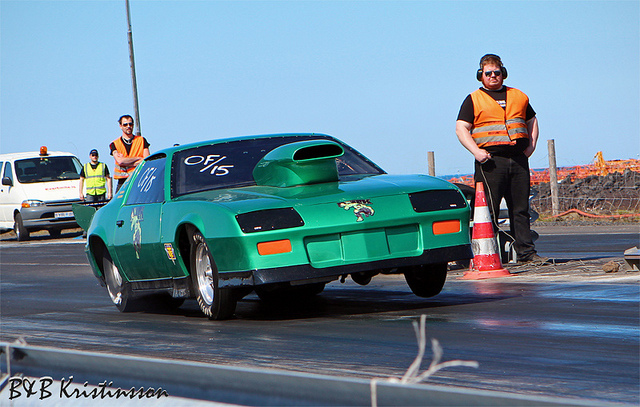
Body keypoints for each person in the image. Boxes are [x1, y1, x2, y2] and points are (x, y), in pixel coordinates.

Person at [455, 53, 548, 265]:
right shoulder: (473, 99)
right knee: (488, 210)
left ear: (503, 73)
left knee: (520, 209)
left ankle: (526, 253)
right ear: (481, 75)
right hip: (490, 162)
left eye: (497, 72)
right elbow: (461, 128)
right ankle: (488, 255)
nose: (493, 76)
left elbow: (532, 121)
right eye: (488, 73)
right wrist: (477, 152)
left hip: (517, 159)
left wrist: (531, 147)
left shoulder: (519, 96)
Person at [109, 115, 150, 191]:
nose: (128, 126)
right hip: (122, 182)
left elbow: (147, 160)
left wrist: (126, 162)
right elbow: (120, 161)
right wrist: (138, 158)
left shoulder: (141, 140)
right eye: (125, 124)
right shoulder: (114, 144)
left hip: (138, 179)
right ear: (120, 126)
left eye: (130, 124)